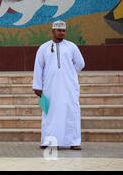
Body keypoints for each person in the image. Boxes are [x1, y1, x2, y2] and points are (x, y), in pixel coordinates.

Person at [32, 20, 85, 150]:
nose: (62, 33)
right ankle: (48, 141)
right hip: (49, 88)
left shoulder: (71, 47)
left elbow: (80, 64)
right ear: (53, 31)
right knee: (48, 112)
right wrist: (37, 86)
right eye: (59, 30)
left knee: (71, 111)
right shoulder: (43, 48)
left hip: (69, 88)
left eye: (63, 31)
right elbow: (38, 68)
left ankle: (74, 141)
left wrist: (69, 74)